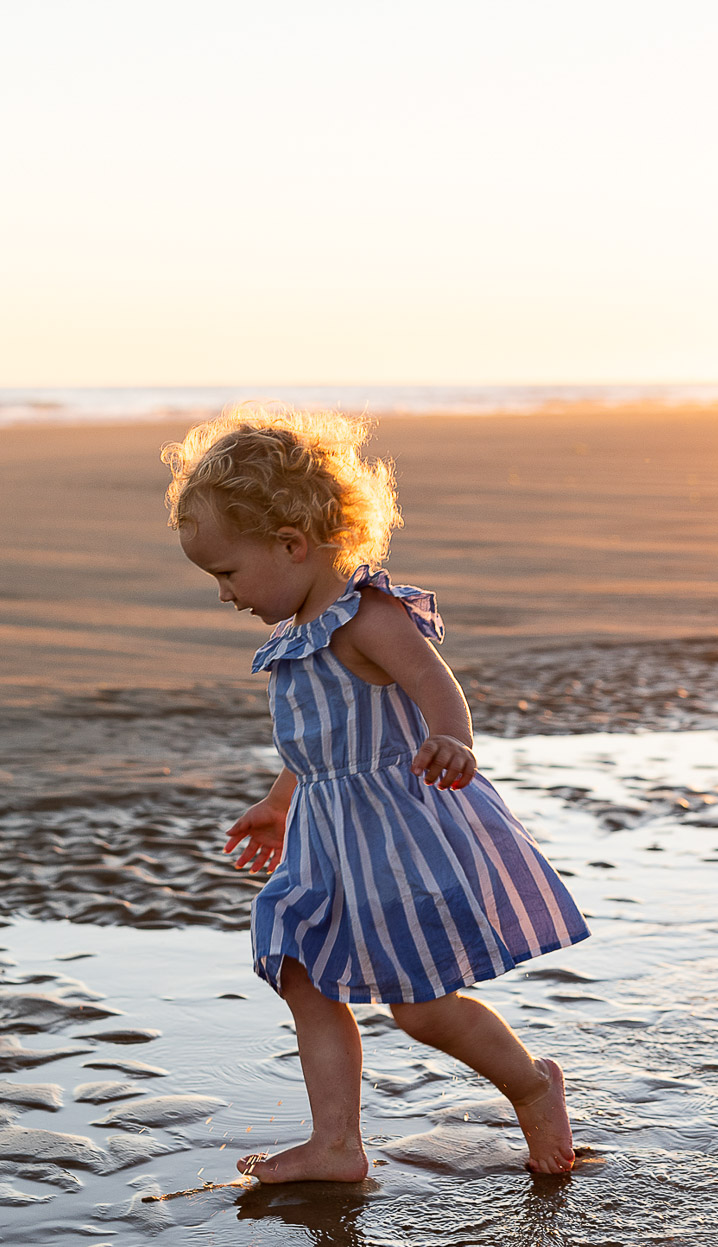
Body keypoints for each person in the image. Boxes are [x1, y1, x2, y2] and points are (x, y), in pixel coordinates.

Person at [163, 404, 591, 1181]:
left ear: (292, 544)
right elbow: (320, 742)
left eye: (228, 572)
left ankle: (532, 1086)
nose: (224, 593)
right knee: (297, 963)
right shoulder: (295, 638)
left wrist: (452, 736)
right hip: (327, 844)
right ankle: (336, 1142)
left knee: (422, 1008)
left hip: (396, 842)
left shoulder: (368, 614)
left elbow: (433, 680)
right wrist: (280, 798)